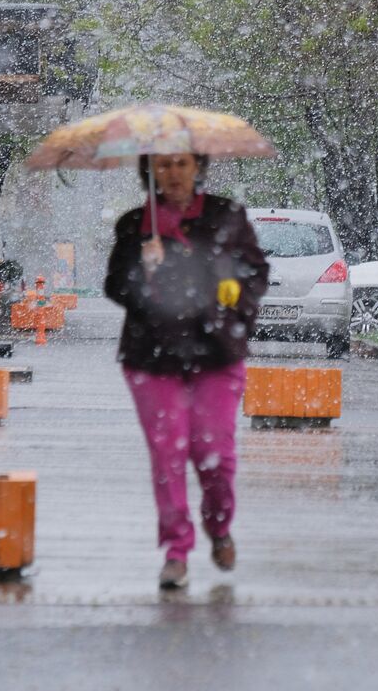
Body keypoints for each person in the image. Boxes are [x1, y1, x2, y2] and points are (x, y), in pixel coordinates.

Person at [104, 152, 269, 589]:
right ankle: (177, 550)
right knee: (168, 453)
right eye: (162, 165)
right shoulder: (135, 225)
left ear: (198, 167)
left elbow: (256, 272)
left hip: (216, 352)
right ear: (149, 171)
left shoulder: (226, 216)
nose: (172, 173)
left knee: (214, 454)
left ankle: (218, 525)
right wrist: (145, 268)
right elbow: (116, 286)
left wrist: (235, 305)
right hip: (151, 357)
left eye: (180, 163)